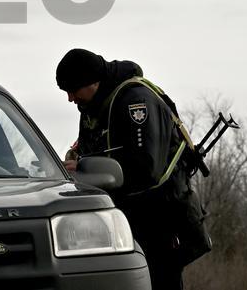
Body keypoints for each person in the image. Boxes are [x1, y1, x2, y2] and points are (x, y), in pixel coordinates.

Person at [56, 48, 206, 290]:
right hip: (124, 223)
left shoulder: (135, 101)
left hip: (160, 221)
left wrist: (87, 168)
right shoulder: (93, 107)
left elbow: (145, 168)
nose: (70, 98)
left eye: (72, 90)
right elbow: (88, 149)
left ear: (90, 81)